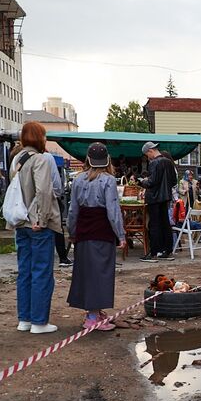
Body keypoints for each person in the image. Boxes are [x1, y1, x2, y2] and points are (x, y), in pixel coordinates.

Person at [66, 142, 126, 331]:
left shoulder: (78, 180)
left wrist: (72, 231)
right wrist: (121, 235)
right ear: (107, 159)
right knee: (100, 273)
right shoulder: (108, 180)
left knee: (86, 272)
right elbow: (112, 210)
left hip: (83, 230)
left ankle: (95, 311)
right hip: (102, 231)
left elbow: (72, 210)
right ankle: (92, 317)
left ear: (88, 159)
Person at [11, 121, 61, 334]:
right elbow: (43, 192)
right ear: (39, 137)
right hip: (37, 224)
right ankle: (39, 322)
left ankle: (25, 319)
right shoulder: (40, 159)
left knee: (25, 271)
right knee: (41, 272)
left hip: (20, 221)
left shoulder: (17, 159)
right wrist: (40, 219)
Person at [137, 141, 176, 262]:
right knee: (165, 224)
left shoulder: (154, 163)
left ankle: (153, 252)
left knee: (154, 225)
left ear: (150, 151)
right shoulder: (169, 162)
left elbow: (152, 182)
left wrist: (143, 181)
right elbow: (173, 181)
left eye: (147, 155)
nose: (147, 157)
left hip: (154, 198)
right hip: (166, 197)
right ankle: (167, 250)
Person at [45, 153, 73, 267]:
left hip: (29, 203)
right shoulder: (47, 157)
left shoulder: (20, 157)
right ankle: (62, 257)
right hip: (50, 197)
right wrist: (57, 194)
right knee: (57, 228)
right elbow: (56, 181)